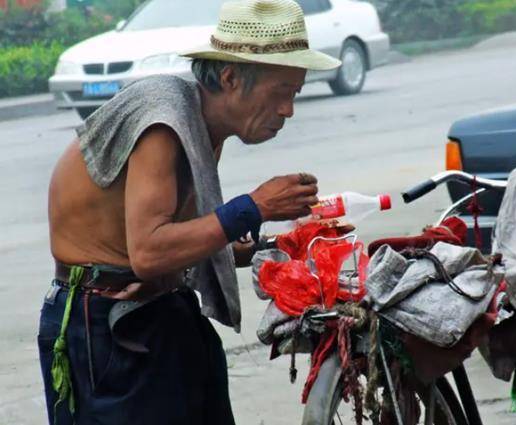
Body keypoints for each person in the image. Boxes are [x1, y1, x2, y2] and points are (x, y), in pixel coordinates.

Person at [38, 0, 341, 424]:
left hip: (159, 310)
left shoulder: (204, 126)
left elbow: (179, 242)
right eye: (280, 93)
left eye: (294, 94)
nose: (287, 110)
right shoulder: (164, 121)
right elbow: (148, 252)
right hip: (105, 327)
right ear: (232, 77)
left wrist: (277, 245)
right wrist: (254, 207)